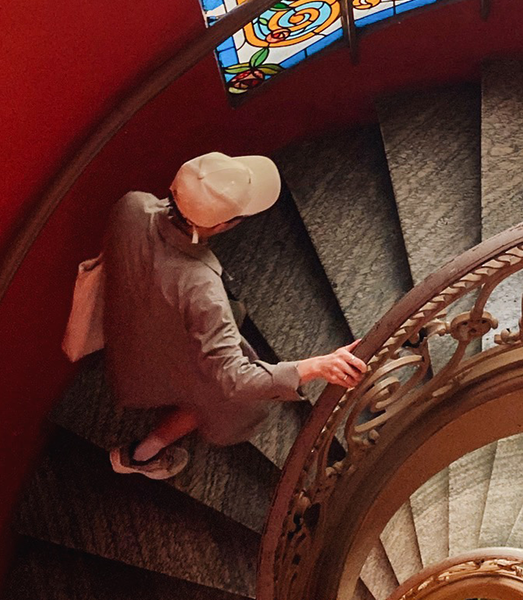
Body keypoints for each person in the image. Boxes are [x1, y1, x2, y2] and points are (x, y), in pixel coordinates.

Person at [102, 151, 366, 480]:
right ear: (223, 224)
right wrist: (315, 366)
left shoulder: (132, 205)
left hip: (136, 334)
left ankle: (140, 454)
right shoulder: (201, 288)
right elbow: (234, 378)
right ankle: (140, 455)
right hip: (184, 355)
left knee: (194, 387)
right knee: (207, 396)